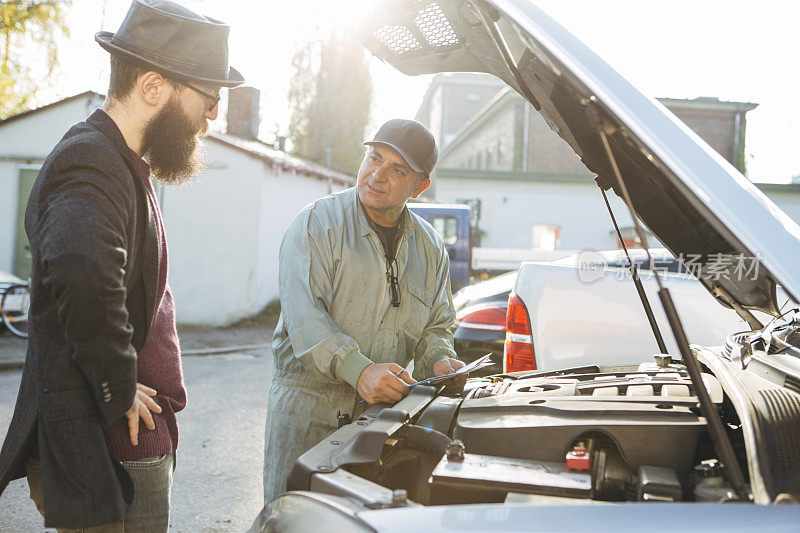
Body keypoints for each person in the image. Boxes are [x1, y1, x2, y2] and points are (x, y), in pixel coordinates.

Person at [0, 1, 243, 530]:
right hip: (106, 446)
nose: (213, 115)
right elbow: (81, 269)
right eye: (209, 97)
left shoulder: (121, 162)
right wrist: (118, 383)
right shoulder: (90, 159)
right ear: (153, 88)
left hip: (128, 443)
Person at [263, 118, 467, 503]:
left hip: (379, 419)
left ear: (420, 187)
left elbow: (437, 325)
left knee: (358, 522)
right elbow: (305, 321)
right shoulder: (316, 224)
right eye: (374, 158)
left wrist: (440, 360)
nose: (377, 175)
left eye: (397, 170)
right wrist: (358, 370)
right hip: (308, 409)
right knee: (293, 520)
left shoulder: (430, 247)